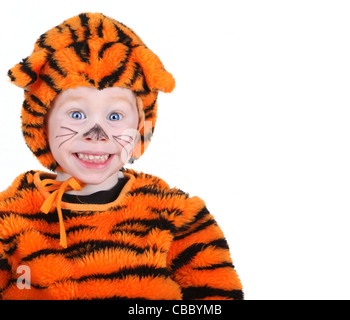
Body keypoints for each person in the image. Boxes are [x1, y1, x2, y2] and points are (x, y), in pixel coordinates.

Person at [0, 12, 243, 300]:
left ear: (141, 128)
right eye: (77, 114)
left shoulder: (177, 217)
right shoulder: (9, 219)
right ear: (41, 122)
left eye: (115, 115)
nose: (97, 134)